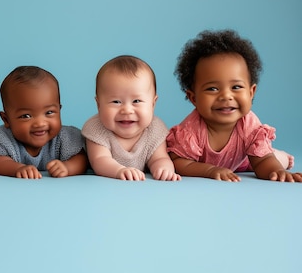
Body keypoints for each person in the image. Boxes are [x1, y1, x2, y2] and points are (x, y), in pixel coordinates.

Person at [167, 29, 300, 182]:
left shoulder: (248, 124)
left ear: (251, 92)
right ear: (193, 98)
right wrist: (210, 170)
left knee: (271, 160)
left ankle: (279, 155)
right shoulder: (191, 130)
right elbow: (180, 163)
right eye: (212, 89)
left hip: (245, 161)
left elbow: (262, 160)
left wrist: (276, 171)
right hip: (218, 164)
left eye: (236, 87)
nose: (226, 96)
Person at [82, 55, 181, 181]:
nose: (127, 110)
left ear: (152, 104)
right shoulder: (96, 129)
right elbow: (100, 160)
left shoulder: (155, 130)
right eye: (116, 102)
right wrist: (119, 171)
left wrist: (164, 169)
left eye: (136, 101)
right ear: (99, 104)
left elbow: (160, 158)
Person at [0, 66, 87, 179]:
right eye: (26, 116)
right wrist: (17, 169)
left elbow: (81, 158)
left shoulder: (65, 137)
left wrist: (68, 167)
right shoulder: (3, 138)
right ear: (6, 119)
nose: (40, 123)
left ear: (59, 110)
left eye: (49, 112)